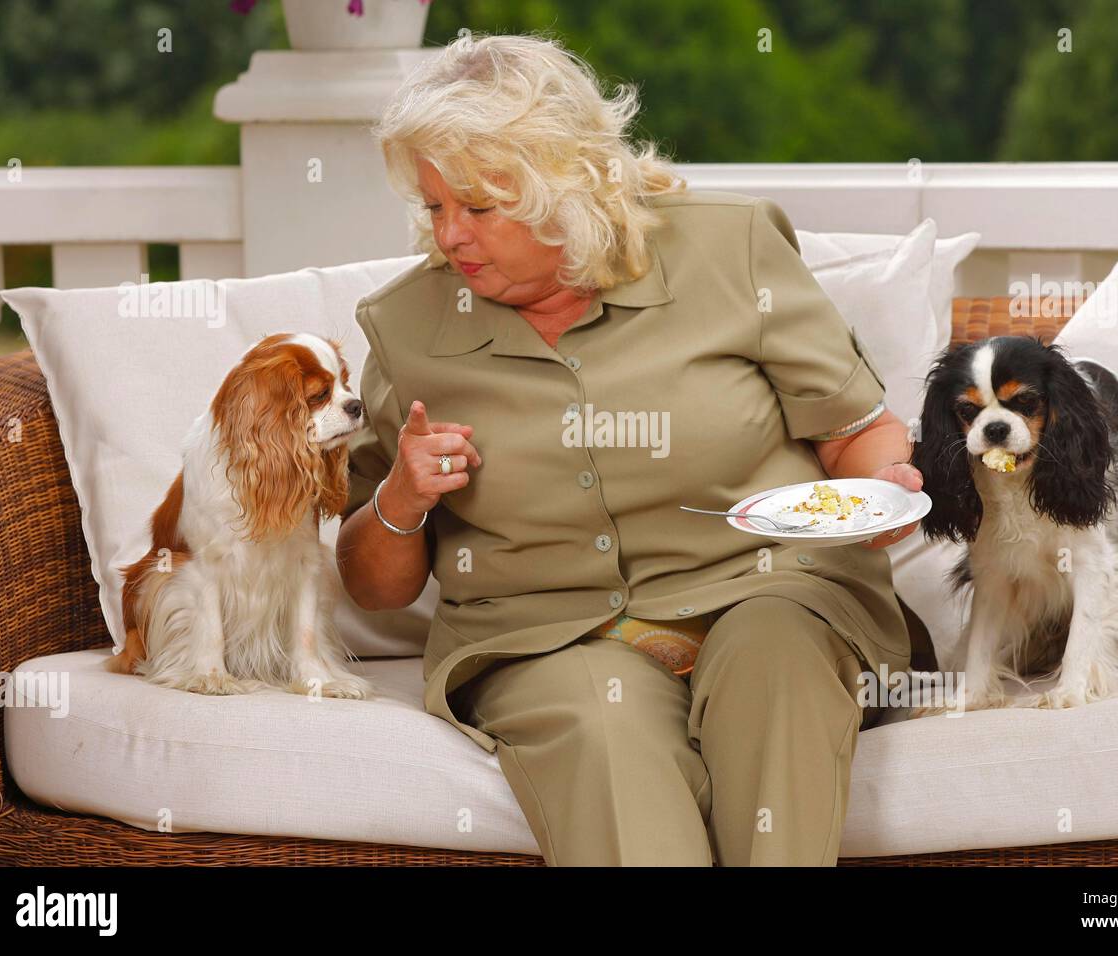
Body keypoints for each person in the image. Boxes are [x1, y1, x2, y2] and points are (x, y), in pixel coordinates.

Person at [336, 32, 928, 866]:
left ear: (566, 185)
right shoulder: (407, 327)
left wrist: (879, 494)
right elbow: (372, 587)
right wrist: (401, 499)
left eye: (479, 206)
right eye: (434, 207)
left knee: (773, 658)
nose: (451, 237)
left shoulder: (730, 247)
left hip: (770, 588)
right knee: (603, 733)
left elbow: (855, 431)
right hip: (548, 637)